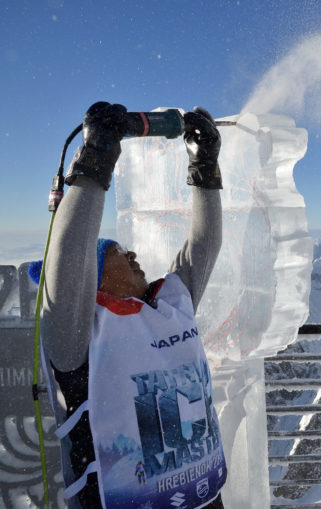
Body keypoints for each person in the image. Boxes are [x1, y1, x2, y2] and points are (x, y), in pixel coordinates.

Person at [37, 102, 228, 508]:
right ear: (93, 276)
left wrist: (205, 166)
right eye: (122, 253)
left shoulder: (170, 307)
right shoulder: (76, 337)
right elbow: (68, 258)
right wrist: (96, 161)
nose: (135, 256)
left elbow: (203, 247)